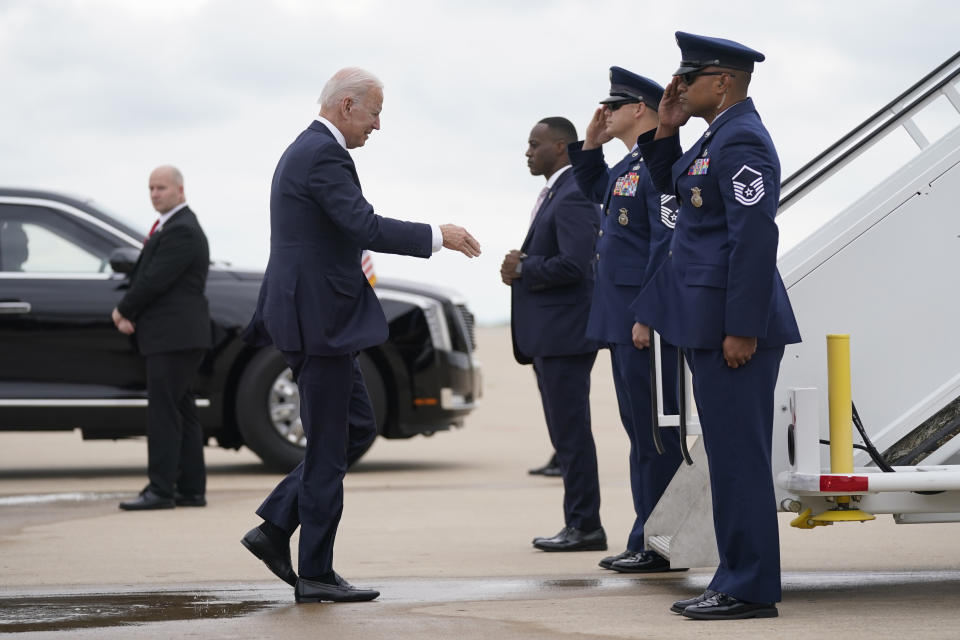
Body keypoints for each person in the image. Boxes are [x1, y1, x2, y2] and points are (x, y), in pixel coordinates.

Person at [240, 67, 480, 604]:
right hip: (319, 323)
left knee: (355, 426)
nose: (377, 126)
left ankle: (276, 526)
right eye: (374, 114)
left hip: (318, 319)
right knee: (329, 445)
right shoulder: (322, 154)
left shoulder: (307, 150)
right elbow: (362, 224)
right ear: (347, 106)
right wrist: (437, 235)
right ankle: (316, 573)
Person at [630, 32, 801, 620]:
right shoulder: (715, 137)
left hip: (732, 328)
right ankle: (734, 576)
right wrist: (668, 128)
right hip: (708, 322)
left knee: (739, 460)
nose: (677, 87)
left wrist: (743, 327)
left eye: (689, 78)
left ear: (722, 81)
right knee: (725, 459)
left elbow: (753, 239)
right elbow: (676, 194)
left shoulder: (743, 139)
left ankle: (750, 587)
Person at [567, 67, 684, 574]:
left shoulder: (661, 164)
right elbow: (597, 191)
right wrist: (590, 144)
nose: (604, 114)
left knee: (656, 437)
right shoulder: (630, 164)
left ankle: (657, 541)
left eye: (612, 108)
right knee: (638, 433)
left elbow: (666, 242)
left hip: (642, 324)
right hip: (621, 320)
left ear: (640, 109)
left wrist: (647, 314)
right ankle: (644, 535)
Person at [501, 117, 603, 552]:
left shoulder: (575, 191)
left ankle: (585, 526)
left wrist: (524, 267)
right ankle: (579, 523)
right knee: (565, 435)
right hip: (551, 336)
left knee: (571, 434)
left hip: (565, 336)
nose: (527, 152)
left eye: (534, 144)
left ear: (561, 148)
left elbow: (577, 265)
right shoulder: (558, 192)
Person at [113, 165, 211, 511]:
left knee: (164, 413)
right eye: (151, 188)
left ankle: (161, 490)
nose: (155, 194)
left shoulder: (181, 230)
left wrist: (124, 309)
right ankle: (190, 489)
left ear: (180, 191)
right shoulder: (173, 227)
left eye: (162, 188)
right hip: (178, 337)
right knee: (181, 411)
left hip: (174, 337)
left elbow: (155, 278)